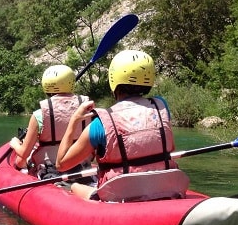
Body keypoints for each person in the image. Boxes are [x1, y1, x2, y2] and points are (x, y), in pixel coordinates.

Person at [55, 50, 178, 200]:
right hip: (163, 186)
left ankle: (73, 188)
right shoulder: (161, 107)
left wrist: (74, 120)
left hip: (120, 196)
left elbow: (61, 165)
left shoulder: (100, 123)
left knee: (74, 186)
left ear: (114, 79)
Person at [9, 64, 90, 178]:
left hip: (50, 170)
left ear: (45, 85)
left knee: (19, 161)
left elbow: (24, 153)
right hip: (82, 167)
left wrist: (15, 144)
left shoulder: (39, 114)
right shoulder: (87, 110)